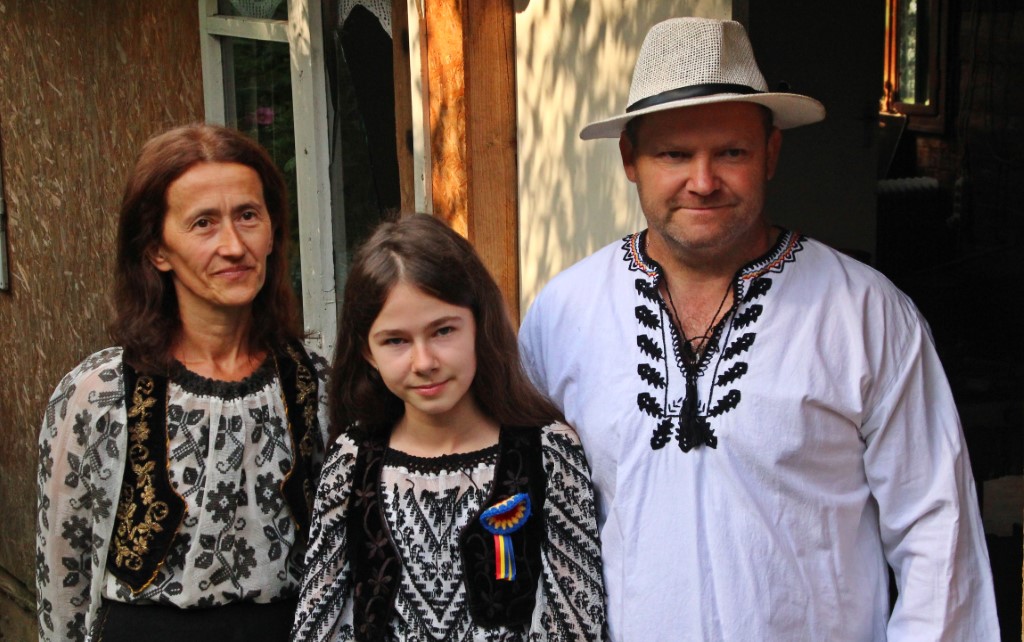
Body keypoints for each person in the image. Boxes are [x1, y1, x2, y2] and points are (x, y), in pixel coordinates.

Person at [518, 17, 1000, 641]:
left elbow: (938, 533)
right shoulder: (563, 315)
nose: (702, 182)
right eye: (673, 154)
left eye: (731, 152)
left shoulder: (864, 313)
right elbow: (521, 507)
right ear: (630, 160)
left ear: (771, 154)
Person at [36, 124, 330, 642]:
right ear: (157, 250)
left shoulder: (316, 383)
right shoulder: (100, 395)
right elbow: (64, 581)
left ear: (272, 231)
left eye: (248, 215)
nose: (234, 246)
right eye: (203, 223)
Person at [291, 213, 606, 641]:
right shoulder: (352, 461)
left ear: (478, 323)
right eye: (396, 341)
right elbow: (319, 621)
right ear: (367, 351)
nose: (424, 362)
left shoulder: (548, 453)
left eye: (442, 331)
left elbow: (576, 622)